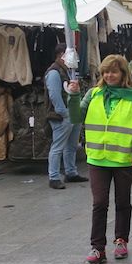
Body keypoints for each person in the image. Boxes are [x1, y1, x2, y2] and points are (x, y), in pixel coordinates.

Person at [67, 54, 132, 264]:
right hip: (97, 158)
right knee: (99, 203)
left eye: (113, 71)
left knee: (122, 202)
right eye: (105, 72)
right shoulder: (93, 94)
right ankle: (98, 248)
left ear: (123, 73)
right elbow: (76, 117)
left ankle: (121, 240)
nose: (108, 75)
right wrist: (73, 96)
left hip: (124, 158)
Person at [45, 44, 88, 189]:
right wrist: (64, 113)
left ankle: (71, 172)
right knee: (58, 146)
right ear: (62, 54)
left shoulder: (68, 71)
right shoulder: (54, 72)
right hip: (61, 116)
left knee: (71, 146)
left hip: (72, 114)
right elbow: (54, 95)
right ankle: (54, 177)